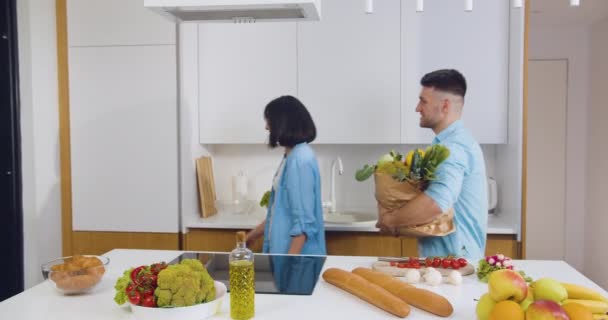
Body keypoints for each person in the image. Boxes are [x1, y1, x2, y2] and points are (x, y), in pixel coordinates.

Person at [377, 69, 488, 260]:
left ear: (445, 106)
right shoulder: (454, 142)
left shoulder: (452, 148)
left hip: (453, 262)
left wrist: (391, 220)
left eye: (423, 101)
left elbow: (436, 203)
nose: (417, 108)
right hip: (453, 260)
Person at [246, 95, 326, 255]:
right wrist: (253, 235)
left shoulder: (300, 160)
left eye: (269, 120)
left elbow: (303, 224)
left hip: (296, 265)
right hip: (283, 258)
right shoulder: (291, 156)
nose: (266, 127)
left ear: (282, 123)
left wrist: (290, 267)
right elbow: (279, 212)